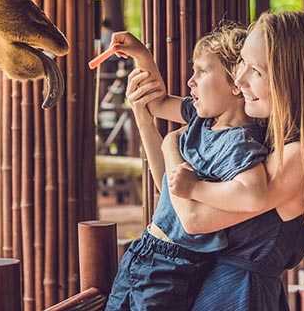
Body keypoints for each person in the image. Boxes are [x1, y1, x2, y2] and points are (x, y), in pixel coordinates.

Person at [126, 11, 304, 310]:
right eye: (242, 64)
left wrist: (172, 144)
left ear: (292, 78)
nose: (240, 78)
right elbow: (172, 191)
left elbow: (193, 218)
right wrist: (144, 109)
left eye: (256, 71)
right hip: (220, 290)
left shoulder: (298, 157)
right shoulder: (265, 135)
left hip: (240, 296)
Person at [105, 24, 269, 310]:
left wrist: (194, 186)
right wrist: (142, 56)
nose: (190, 81)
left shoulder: (239, 144)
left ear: (235, 83)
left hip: (172, 266)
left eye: (202, 71)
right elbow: (155, 104)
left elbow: (253, 190)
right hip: (145, 250)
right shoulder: (201, 118)